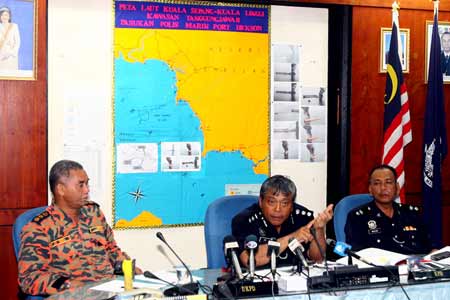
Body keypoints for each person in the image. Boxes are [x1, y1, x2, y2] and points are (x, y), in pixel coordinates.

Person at [18, 160, 139, 295]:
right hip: (74, 294)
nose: (87, 190)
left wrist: (126, 266)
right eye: (81, 185)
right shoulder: (39, 228)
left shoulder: (94, 213)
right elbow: (29, 278)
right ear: (61, 189)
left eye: (87, 183)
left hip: (110, 289)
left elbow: (111, 249)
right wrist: (68, 284)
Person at [231, 175, 333, 268]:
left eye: (284, 203)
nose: (278, 209)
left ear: (292, 205)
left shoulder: (302, 217)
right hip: (257, 282)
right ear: (261, 202)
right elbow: (249, 260)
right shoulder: (245, 220)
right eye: (271, 202)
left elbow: (317, 259)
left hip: (296, 281)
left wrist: (318, 229)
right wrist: (293, 237)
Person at [345, 164, 432, 254]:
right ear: (370, 190)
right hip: (379, 267)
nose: (383, 188)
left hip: (412, 266)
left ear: (397, 188)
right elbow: (357, 254)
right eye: (377, 183)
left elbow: (427, 248)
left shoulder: (412, 214)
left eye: (388, 182)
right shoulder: (358, 217)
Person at [0, 6, 20, 70]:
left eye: (6, 15)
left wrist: (13, 53)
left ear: (9, 16)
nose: (4, 17)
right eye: (2, 15)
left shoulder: (14, 26)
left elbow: (17, 42)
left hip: (11, 56)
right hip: (1, 56)